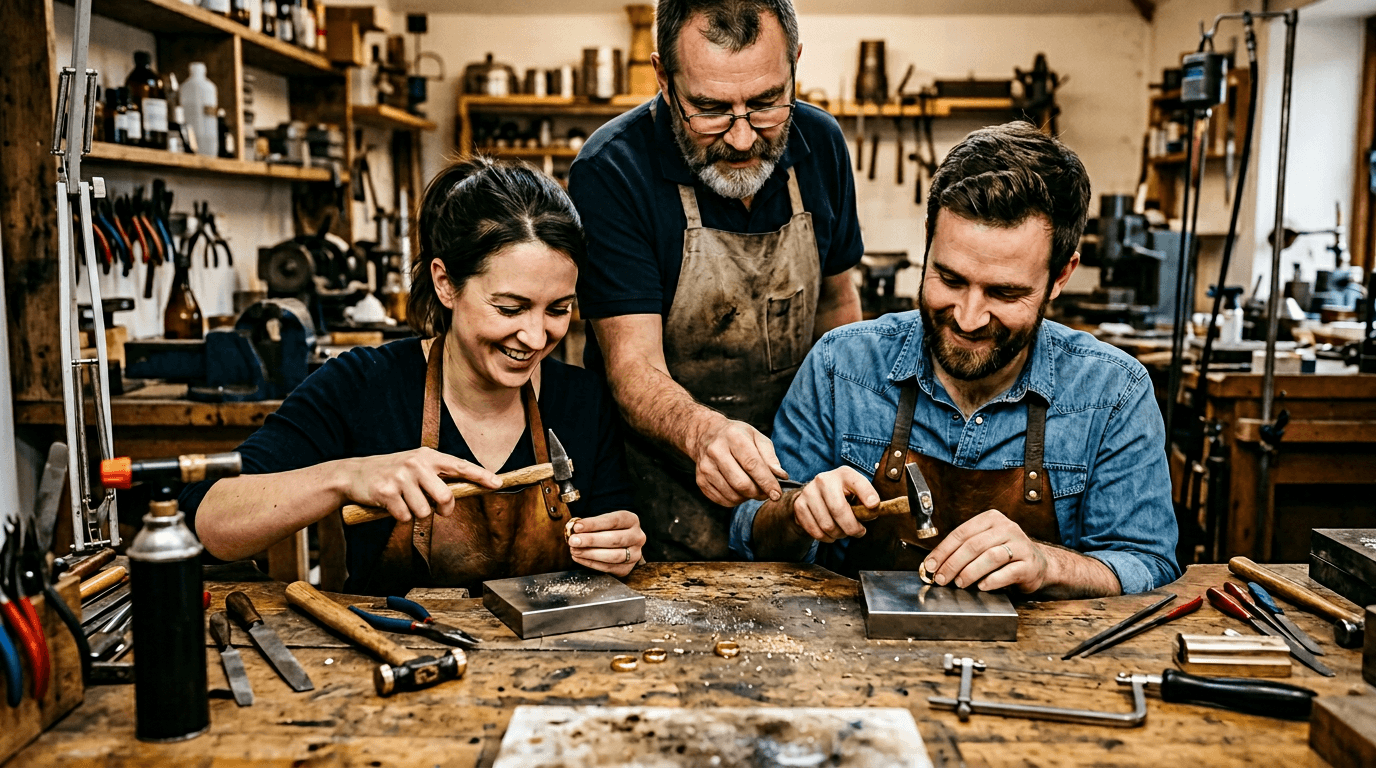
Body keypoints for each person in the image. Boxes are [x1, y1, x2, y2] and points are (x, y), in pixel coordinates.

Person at [731, 122, 1181, 598]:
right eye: (950, 279)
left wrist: (1049, 565)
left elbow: (1147, 563)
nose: (968, 318)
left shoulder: (1113, 392)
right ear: (928, 240)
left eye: (1004, 292)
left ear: (1060, 275)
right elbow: (750, 533)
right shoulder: (841, 366)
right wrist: (798, 513)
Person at [184, 158, 645, 595]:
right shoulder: (363, 385)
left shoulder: (582, 401)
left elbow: (619, 542)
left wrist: (620, 548)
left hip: (549, 664)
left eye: (559, 309)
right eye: (510, 307)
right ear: (445, 283)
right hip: (394, 660)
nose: (534, 335)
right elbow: (208, 523)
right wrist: (346, 477)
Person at [568, 0, 863, 561]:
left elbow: (837, 308)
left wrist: (853, 438)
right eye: (709, 109)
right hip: (664, 499)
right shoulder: (612, 171)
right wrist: (705, 435)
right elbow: (632, 368)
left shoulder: (820, 145)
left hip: (797, 485)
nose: (744, 137)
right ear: (662, 75)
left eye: (766, 102)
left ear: (795, 64)